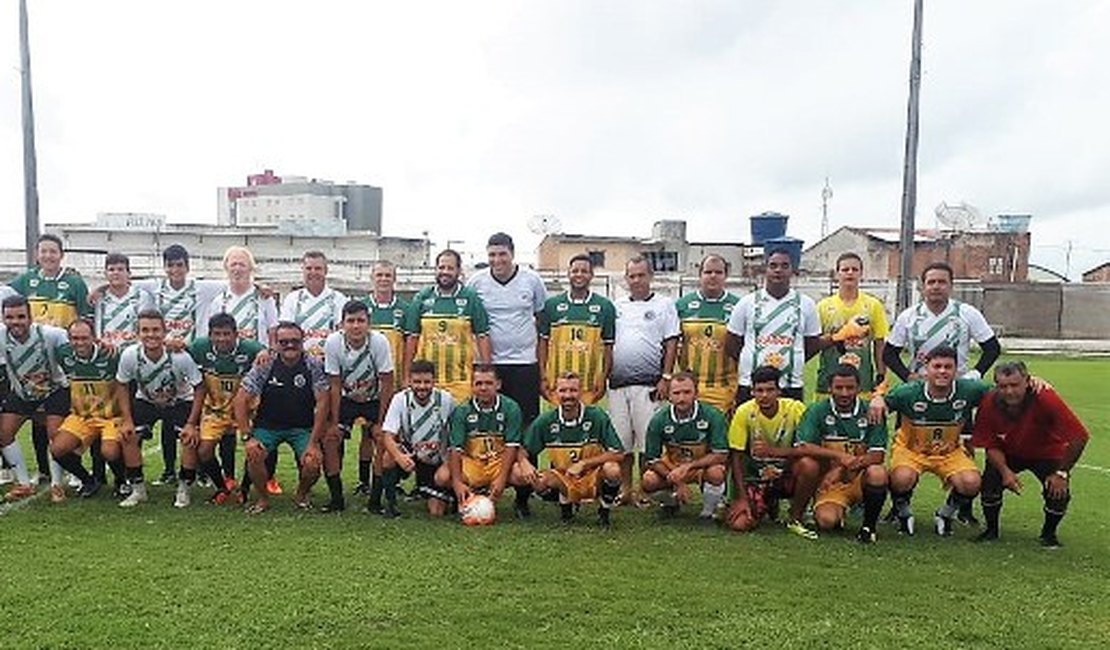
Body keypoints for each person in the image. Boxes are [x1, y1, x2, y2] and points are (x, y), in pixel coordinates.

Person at [884, 262, 1000, 526]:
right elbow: (890, 353)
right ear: (922, 286)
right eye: (931, 282)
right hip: (915, 397)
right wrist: (908, 377)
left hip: (956, 393)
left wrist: (972, 376)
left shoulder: (967, 313)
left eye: (942, 282)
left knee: (964, 448)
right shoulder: (909, 316)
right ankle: (900, 506)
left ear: (950, 285)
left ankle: (963, 508)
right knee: (907, 450)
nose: (936, 287)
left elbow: (992, 348)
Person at [868, 345, 989, 537]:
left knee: (971, 482)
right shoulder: (908, 392)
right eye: (937, 366)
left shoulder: (969, 389)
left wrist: (1032, 381)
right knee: (902, 478)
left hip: (949, 452)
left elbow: (1002, 392)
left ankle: (946, 513)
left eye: (948, 367)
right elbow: (882, 405)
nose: (942, 371)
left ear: (956, 370)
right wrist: (877, 398)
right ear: (927, 367)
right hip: (911, 451)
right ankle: (902, 510)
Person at [972, 361, 1089, 547]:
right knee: (990, 481)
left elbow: (1079, 437)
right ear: (996, 385)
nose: (1009, 391)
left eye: (1014, 385)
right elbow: (990, 445)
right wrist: (1005, 472)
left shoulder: (1046, 397)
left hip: (1047, 452)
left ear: (1027, 381)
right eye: (1003, 386)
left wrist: (1062, 473)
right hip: (1009, 451)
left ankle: (1049, 534)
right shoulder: (989, 402)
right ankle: (991, 530)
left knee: (1058, 492)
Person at [7, 234, 91, 488]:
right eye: (43, 251)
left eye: (53, 251)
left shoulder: (74, 282)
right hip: (30, 359)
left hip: (60, 354)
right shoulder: (25, 281)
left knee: (62, 420)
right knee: (36, 421)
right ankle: (43, 472)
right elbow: (9, 305)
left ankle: (71, 471)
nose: (48, 256)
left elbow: (85, 316)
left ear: (61, 254)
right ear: (36, 254)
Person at [200, 246, 281, 495]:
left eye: (242, 264)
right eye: (233, 264)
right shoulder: (219, 299)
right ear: (226, 268)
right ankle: (229, 477)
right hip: (227, 370)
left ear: (250, 268)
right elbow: (210, 335)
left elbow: (273, 332)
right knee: (226, 425)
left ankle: (268, 476)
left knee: (264, 421)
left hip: (257, 369)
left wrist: (271, 358)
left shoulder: (263, 297)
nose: (237, 268)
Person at [234, 321, 328, 514]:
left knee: (312, 462)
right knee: (254, 454)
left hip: (302, 427)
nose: (290, 345)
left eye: (295, 341)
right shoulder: (265, 364)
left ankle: (301, 495)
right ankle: (263, 499)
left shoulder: (313, 365)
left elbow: (323, 403)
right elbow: (240, 400)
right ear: (275, 344)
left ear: (303, 341)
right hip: (267, 426)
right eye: (284, 342)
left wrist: (313, 443)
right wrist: (247, 437)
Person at [609, 256, 680, 505]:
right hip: (618, 384)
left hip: (649, 384)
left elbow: (671, 342)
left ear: (650, 276)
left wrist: (667, 377)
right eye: (631, 276)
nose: (636, 280)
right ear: (626, 278)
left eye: (641, 275)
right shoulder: (616, 306)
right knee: (622, 442)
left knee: (646, 440)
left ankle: (642, 490)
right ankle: (625, 490)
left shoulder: (664, 305)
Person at [115, 310, 203, 507]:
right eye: (145, 330)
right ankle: (138, 490)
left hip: (179, 401)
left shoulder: (180, 357)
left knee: (188, 438)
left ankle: (184, 488)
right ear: (137, 333)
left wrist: (191, 423)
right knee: (128, 435)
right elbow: (121, 384)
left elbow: (199, 387)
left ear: (164, 332)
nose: (151, 335)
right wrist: (127, 419)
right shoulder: (130, 355)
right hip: (146, 400)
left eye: (156, 330)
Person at [794, 364, 890, 543]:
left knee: (878, 472)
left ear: (859, 388)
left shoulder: (871, 411)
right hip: (832, 484)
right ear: (829, 388)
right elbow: (804, 447)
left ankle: (868, 527)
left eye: (850, 387)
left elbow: (878, 455)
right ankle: (838, 512)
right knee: (826, 522)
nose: (844, 393)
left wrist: (843, 466)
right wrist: (839, 457)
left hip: (859, 479)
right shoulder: (817, 411)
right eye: (839, 388)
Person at [517, 372, 624, 527]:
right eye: (563, 390)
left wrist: (584, 464)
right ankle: (566, 508)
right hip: (564, 476)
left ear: (580, 392)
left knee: (612, 469)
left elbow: (618, 453)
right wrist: (524, 462)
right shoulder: (546, 421)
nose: (568, 395)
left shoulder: (596, 416)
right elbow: (522, 449)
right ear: (555, 393)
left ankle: (604, 510)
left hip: (592, 475)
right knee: (538, 482)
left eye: (573, 390)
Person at [725, 365, 816, 538]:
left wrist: (774, 451)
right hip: (756, 478)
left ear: (779, 391)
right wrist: (742, 498)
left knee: (809, 465)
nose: (764, 395)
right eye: (759, 390)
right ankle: (766, 502)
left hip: (786, 475)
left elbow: (810, 448)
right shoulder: (744, 411)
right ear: (752, 391)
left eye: (770, 390)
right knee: (740, 524)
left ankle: (795, 516)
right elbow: (736, 457)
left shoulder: (795, 408)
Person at [185, 313, 266, 504]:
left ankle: (244, 489)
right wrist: (175, 345)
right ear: (210, 335)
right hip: (216, 409)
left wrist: (264, 353)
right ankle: (221, 487)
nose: (222, 338)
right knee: (204, 450)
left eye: (226, 334)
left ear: (236, 334)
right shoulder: (199, 347)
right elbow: (182, 351)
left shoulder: (249, 348)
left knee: (254, 450)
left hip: (246, 409)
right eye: (217, 334)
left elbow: (266, 352)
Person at [323, 300, 394, 513]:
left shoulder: (379, 342)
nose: (356, 326)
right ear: (342, 324)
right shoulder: (333, 342)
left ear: (368, 324)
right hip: (346, 398)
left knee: (382, 439)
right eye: (351, 321)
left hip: (373, 398)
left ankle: (375, 501)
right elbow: (334, 384)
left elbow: (387, 382)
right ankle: (337, 499)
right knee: (330, 439)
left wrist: (382, 422)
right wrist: (334, 422)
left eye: (360, 321)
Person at [725, 247, 821, 403]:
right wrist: (753, 360)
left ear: (793, 271)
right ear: (765, 269)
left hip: (790, 385)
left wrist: (792, 360)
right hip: (752, 384)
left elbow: (812, 344)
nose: (778, 270)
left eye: (784, 266)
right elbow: (731, 343)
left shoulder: (806, 304)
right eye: (773, 265)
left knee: (790, 427)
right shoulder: (747, 302)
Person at [0, 295, 71, 501]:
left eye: (21, 316)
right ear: (4, 318)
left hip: (54, 391)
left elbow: (73, 354)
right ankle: (23, 484)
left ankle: (57, 485)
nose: (16, 322)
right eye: (10, 317)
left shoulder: (52, 334)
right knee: (4, 433)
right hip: (23, 393)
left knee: (55, 436)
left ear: (30, 317)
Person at [353, 260, 410, 498]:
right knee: (367, 433)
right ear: (372, 278)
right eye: (379, 275)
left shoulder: (405, 309)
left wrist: (405, 376)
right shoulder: (362, 307)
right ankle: (363, 481)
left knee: (391, 433)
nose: (384, 279)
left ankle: (390, 479)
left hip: (393, 382)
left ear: (394, 278)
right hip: (367, 384)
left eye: (388, 275)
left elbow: (408, 345)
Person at [49, 319, 123, 501]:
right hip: (81, 416)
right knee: (57, 449)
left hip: (110, 416)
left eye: (84, 338)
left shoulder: (111, 354)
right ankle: (88, 480)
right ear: (69, 339)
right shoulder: (63, 354)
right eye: (75, 338)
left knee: (109, 451)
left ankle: (122, 481)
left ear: (94, 338)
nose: (79, 342)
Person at [403, 249, 491, 401]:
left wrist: (486, 373)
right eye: (441, 267)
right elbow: (412, 339)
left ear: (458, 271)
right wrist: (406, 376)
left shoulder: (470, 298)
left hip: (461, 381)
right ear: (436, 270)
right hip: (427, 381)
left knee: (458, 423)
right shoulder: (422, 298)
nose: (445, 272)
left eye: (450, 268)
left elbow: (483, 337)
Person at [440, 364, 527, 517]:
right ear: (472, 386)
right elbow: (455, 449)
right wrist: (457, 483)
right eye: (479, 383)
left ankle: (521, 502)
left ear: (498, 385)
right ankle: (467, 496)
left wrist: (501, 479)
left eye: (488, 383)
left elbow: (511, 446)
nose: (483, 388)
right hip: (473, 462)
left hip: (497, 462)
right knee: (442, 476)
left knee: (522, 475)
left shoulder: (511, 408)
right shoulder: (462, 411)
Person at [640, 372, 729, 521]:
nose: (682, 398)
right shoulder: (659, 419)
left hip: (701, 467)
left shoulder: (712, 415)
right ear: (669, 395)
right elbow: (652, 459)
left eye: (687, 392)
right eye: (676, 393)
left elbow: (721, 454)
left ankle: (708, 513)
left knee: (716, 473)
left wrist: (689, 467)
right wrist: (677, 481)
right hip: (673, 467)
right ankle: (671, 503)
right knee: (649, 480)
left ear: (696, 393)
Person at [378, 359, 456, 518]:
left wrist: (448, 464)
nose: (422, 386)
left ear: (434, 381)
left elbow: (457, 437)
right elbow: (387, 435)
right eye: (417, 382)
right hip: (412, 455)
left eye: (427, 382)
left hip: (436, 459)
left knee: (437, 512)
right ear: (410, 381)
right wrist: (399, 457)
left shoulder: (447, 400)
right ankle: (391, 504)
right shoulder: (400, 399)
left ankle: (434, 491)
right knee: (388, 457)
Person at [537, 253, 616, 407]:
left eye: (584, 271)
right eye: (575, 271)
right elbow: (542, 344)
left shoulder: (605, 306)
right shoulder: (551, 305)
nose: (579, 275)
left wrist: (603, 378)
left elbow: (608, 347)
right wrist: (543, 377)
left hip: (589, 384)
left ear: (591, 275)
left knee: (586, 427)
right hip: (557, 385)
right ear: (568, 273)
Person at [813, 253, 890, 397]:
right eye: (845, 269)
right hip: (828, 381)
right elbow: (815, 343)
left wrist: (881, 375)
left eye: (854, 269)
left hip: (862, 381)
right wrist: (839, 336)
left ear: (861, 274)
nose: (850, 273)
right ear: (837, 274)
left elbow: (879, 343)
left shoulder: (873, 305)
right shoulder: (823, 306)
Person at [675, 254, 740, 414]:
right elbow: (671, 345)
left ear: (726, 276)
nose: (713, 276)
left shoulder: (738, 306)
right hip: (690, 387)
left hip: (725, 388)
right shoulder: (682, 305)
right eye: (708, 272)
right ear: (700, 275)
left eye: (718, 272)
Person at [279, 251, 346, 358]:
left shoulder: (339, 299)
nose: (313, 272)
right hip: (299, 361)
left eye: (318, 268)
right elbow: (285, 333)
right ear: (303, 270)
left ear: (326, 271)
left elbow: (343, 333)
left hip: (330, 360)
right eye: (309, 268)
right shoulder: (292, 299)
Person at [94, 253, 156, 350]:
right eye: (111, 269)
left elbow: (148, 327)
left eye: (120, 269)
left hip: (134, 353)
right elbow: (97, 329)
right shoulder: (99, 298)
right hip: (107, 352)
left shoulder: (142, 296)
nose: (116, 273)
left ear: (129, 273)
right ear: (105, 274)